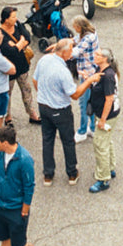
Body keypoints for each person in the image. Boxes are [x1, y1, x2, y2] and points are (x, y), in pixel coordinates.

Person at [32, 39, 79, 187]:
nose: (72, 52)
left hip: (43, 106)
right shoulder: (63, 72)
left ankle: (48, 175)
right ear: (64, 52)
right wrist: (88, 81)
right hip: (60, 110)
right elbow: (74, 94)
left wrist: (44, 94)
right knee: (68, 141)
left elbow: (35, 80)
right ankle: (72, 173)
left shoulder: (44, 59)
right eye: (71, 49)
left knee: (47, 139)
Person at [79, 48, 118, 193]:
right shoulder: (99, 69)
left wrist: (102, 120)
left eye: (98, 55)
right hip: (105, 113)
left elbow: (109, 99)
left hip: (106, 115)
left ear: (105, 59)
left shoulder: (107, 76)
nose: (95, 56)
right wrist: (88, 78)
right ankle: (110, 167)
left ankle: (103, 178)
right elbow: (96, 85)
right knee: (107, 140)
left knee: (100, 145)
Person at [0, 7, 39, 125]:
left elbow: (27, 37)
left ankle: (32, 114)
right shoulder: (0, 34)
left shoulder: (17, 24)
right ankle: (8, 117)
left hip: (22, 67)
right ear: (6, 20)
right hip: (9, 70)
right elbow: (10, 51)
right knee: (7, 95)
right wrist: (21, 43)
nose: (16, 19)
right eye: (13, 17)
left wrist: (18, 45)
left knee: (27, 91)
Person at [68, 16, 100, 141]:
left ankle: (82, 131)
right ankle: (92, 128)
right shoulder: (90, 33)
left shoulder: (88, 38)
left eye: (75, 26)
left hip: (87, 74)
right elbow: (75, 40)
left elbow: (77, 51)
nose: (74, 28)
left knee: (83, 103)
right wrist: (67, 42)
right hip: (91, 73)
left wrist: (61, 52)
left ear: (79, 27)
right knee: (90, 102)